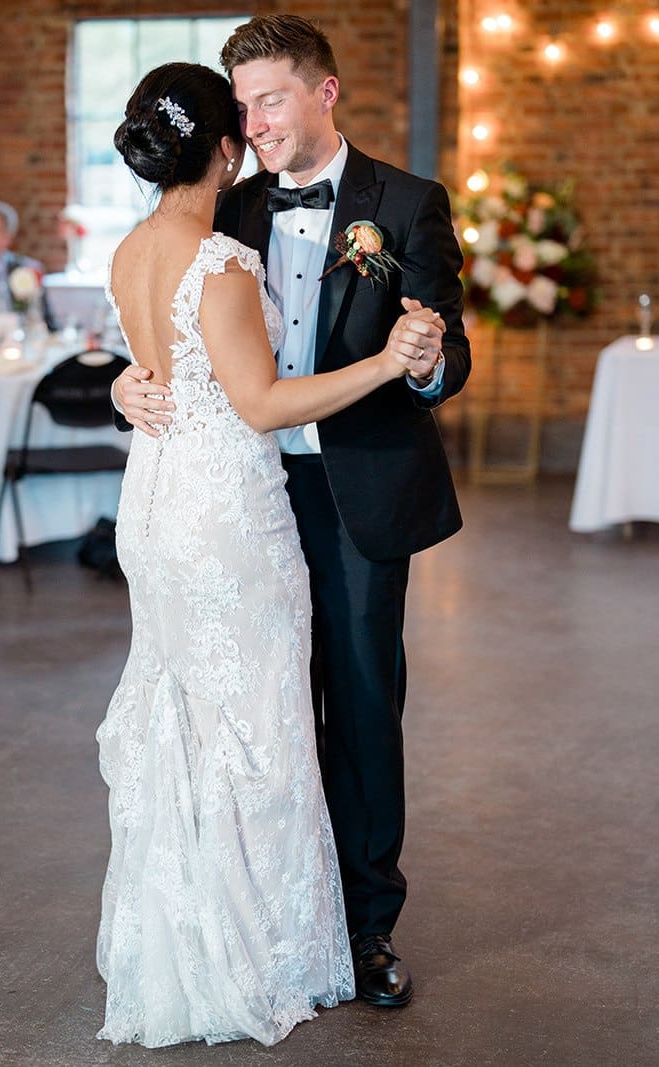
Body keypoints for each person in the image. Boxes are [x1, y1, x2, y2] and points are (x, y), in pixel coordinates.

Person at [112, 15, 470, 1015]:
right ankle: (270, 916)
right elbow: (169, 338)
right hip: (247, 492)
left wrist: (430, 353)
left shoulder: (405, 203)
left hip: (356, 492)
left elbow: (447, 350)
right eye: (241, 106)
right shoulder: (226, 206)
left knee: (358, 708)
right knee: (261, 710)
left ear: (324, 91)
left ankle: (365, 930)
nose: (255, 122)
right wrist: (122, 390)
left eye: (271, 98)